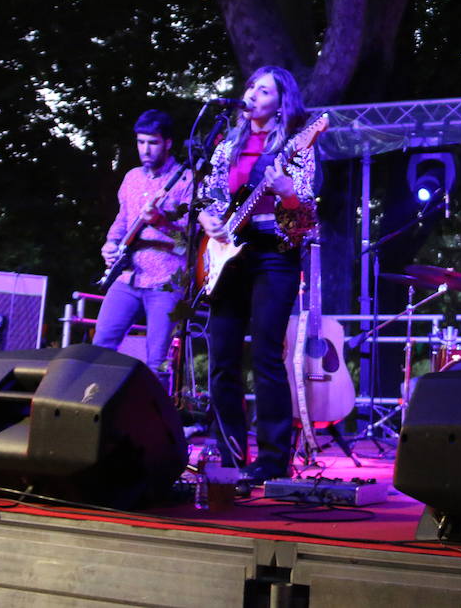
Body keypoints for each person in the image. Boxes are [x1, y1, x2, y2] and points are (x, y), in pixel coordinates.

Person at [197, 66, 317, 483]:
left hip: (274, 255)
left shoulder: (297, 146)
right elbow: (208, 192)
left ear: (280, 101)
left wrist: (285, 190)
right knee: (222, 355)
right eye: (250, 86)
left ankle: (271, 461)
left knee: (266, 356)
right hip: (228, 254)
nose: (251, 94)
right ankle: (230, 455)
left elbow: (304, 216)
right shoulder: (227, 143)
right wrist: (208, 218)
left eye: (262, 90)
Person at [93, 109, 192, 374]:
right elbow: (122, 220)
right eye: (141, 142)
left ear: (168, 143)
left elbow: (190, 241)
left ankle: (156, 416)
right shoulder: (132, 178)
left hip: (166, 279)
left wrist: (160, 221)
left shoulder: (186, 180)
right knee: (100, 346)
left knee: (156, 361)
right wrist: (110, 244)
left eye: (153, 142)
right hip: (128, 276)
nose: (145, 149)